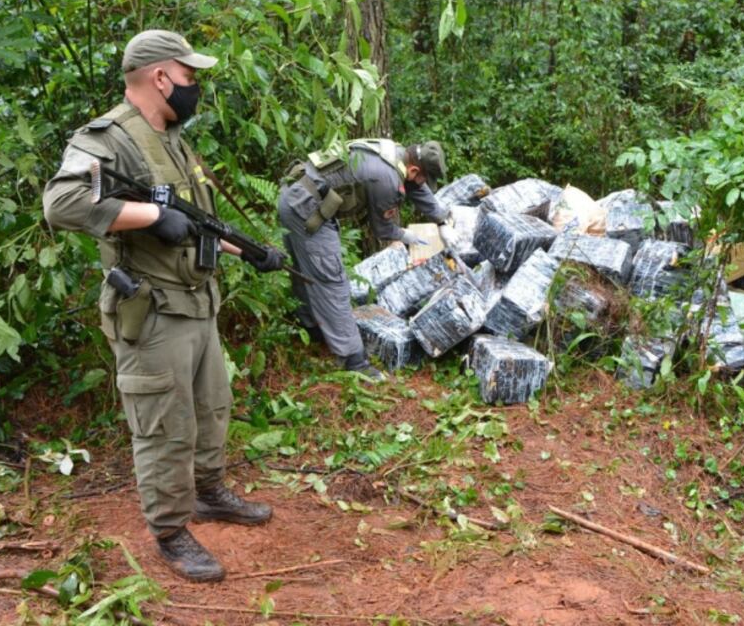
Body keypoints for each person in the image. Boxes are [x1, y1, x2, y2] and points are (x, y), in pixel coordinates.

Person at [43, 30, 285, 583]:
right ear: (160, 76)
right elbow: (61, 202)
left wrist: (248, 252)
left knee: (210, 406)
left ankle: (209, 492)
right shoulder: (110, 138)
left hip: (197, 302)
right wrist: (150, 217)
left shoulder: (173, 139)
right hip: (151, 311)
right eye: (189, 76)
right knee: (163, 424)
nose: (194, 88)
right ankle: (171, 531)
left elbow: (193, 221)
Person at [278, 139, 456, 378]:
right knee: (332, 282)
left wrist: (441, 220)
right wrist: (408, 236)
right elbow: (383, 230)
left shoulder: (396, 154)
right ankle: (353, 360)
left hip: (296, 195)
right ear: (414, 170)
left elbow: (416, 187)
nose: (424, 184)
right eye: (424, 177)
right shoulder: (386, 179)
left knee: (308, 271)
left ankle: (312, 329)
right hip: (306, 209)